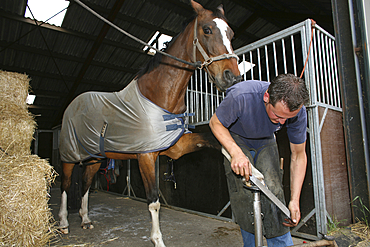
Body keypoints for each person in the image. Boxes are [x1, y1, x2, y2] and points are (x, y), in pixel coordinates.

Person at [209, 73, 309, 246]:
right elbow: (215, 123)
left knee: (274, 191)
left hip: (265, 140)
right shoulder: (241, 95)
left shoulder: (297, 113)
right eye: (278, 116)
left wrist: (295, 200)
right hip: (236, 138)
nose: (283, 122)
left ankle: (282, 243)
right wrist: (236, 152)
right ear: (266, 97)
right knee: (244, 194)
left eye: (288, 118)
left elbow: (299, 156)